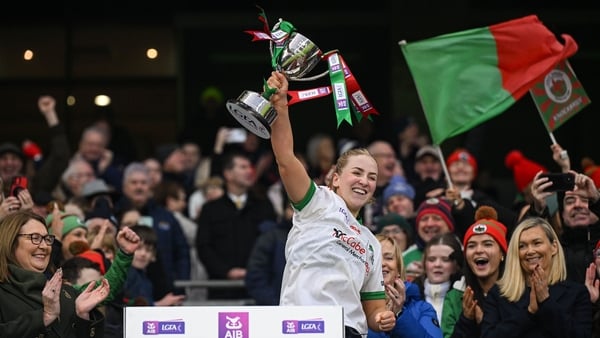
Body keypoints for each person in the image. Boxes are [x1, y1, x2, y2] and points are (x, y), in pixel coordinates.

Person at [267, 71, 395, 337]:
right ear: (336, 178)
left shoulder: (371, 242)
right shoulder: (318, 201)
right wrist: (280, 106)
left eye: (372, 177)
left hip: (350, 331)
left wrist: (382, 317)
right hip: (302, 326)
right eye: (357, 173)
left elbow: (373, 309)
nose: (364, 181)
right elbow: (285, 158)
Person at [0, 210, 110, 337]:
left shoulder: (68, 293)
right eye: (35, 238)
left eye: (47, 239)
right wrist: (43, 317)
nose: (44, 246)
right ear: (10, 242)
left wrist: (83, 316)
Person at [481, 217, 592, 337]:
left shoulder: (577, 293)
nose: (530, 251)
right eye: (522, 246)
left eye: (537, 243)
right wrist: (529, 312)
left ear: (554, 247)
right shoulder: (498, 294)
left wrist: (546, 301)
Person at [195, 150, 276, 300]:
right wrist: (226, 271)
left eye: (249, 167)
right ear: (228, 174)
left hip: (259, 287)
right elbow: (204, 246)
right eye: (243, 167)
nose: (249, 171)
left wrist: (256, 270)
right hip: (221, 288)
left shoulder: (264, 205)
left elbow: (272, 244)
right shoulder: (211, 209)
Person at [442, 206, 507, 338]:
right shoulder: (455, 296)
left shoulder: (518, 293)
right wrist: (466, 320)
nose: (478, 250)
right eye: (471, 246)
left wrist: (484, 322)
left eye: (487, 244)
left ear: (502, 254)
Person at [368, 234, 443, 338]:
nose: (381, 263)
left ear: (398, 269)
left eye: (389, 258)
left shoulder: (423, 309)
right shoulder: (355, 307)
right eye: (374, 258)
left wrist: (399, 313)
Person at [413, 232, 464, 328]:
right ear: (424, 263)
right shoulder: (409, 296)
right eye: (432, 259)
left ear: (456, 265)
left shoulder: (464, 297)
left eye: (445, 260)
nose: (437, 264)